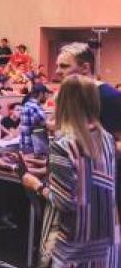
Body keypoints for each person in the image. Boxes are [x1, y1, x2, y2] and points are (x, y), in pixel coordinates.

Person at [18, 75, 119, 268]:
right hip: (105, 237)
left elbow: (63, 202)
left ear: (63, 103)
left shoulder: (63, 145)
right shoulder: (107, 137)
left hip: (76, 243)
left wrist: (35, 184)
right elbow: (89, 176)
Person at [54, 42, 121, 211]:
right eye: (57, 66)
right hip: (79, 186)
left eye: (64, 66)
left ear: (85, 68)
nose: (57, 71)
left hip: (106, 189)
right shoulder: (71, 96)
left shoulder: (110, 97)